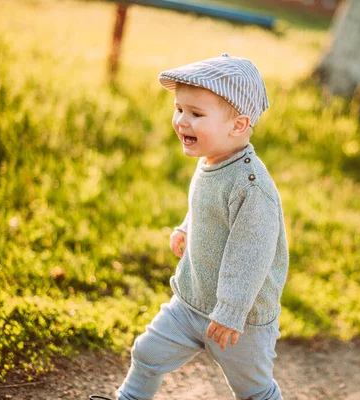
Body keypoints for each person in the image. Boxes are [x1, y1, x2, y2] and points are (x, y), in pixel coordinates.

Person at [115, 53, 289, 400]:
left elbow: (251, 253)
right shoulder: (214, 159)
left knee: (253, 390)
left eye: (196, 114)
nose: (181, 121)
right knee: (147, 353)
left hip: (240, 320)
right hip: (192, 302)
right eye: (179, 109)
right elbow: (206, 207)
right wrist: (186, 227)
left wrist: (231, 310)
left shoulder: (252, 186)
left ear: (237, 125)